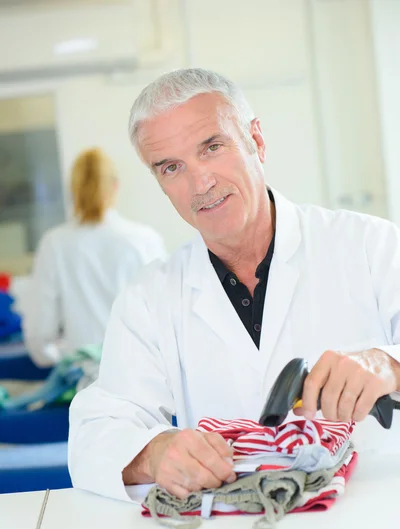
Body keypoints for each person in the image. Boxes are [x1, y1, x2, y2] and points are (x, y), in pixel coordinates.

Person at [68, 69, 400, 503]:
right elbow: (97, 430)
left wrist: (389, 365)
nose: (200, 183)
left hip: (376, 523)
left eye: (212, 147)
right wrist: (152, 453)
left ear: (256, 141)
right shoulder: (150, 296)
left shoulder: (371, 246)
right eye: (171, 167)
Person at [24, 147, 166, 366]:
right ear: (116, 186)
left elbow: (39, 334)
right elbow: (166, 320)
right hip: (143, 373)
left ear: (73, 190)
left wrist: (67, 362)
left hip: (84, 381)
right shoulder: (145, 239)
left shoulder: (54, 244)